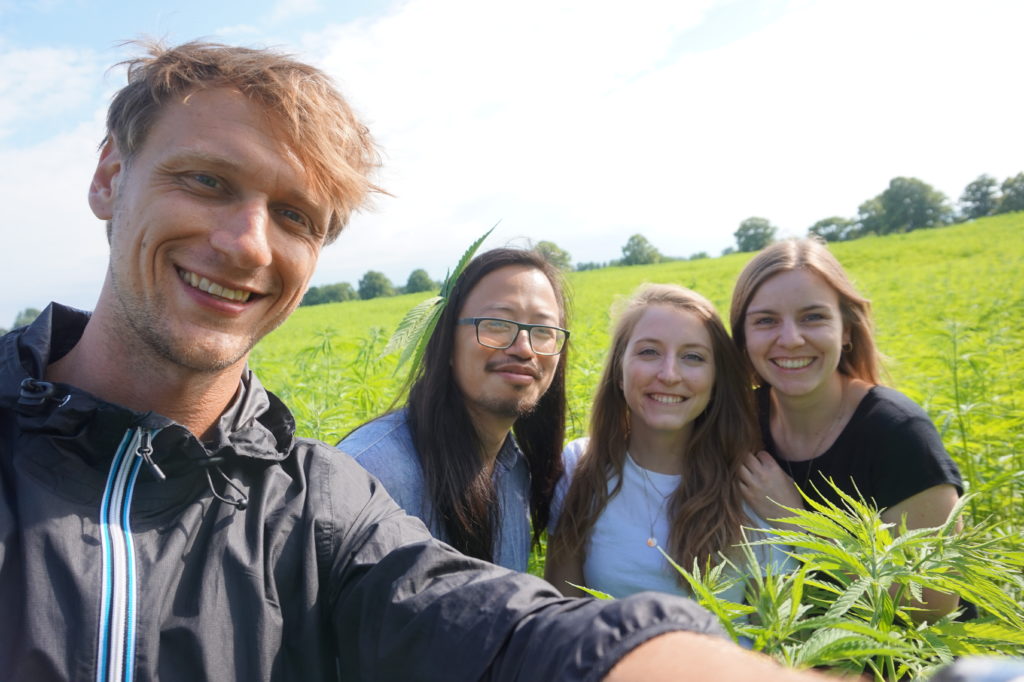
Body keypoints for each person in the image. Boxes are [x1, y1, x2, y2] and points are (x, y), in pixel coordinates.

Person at [0, 39, 847, 682]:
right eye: (207, 181)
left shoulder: (320, 504)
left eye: (296, 216)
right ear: (111, 176)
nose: (247, 244)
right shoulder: (383, 462)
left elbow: (505, 622)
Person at [729, 237, 964, 620]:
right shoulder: (739, 422)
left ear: (847, 331)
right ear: (743, 338)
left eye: (813, 317)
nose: (790, 339)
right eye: (766, 320)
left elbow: (933, 607)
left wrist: (799, 524)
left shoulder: (898, 434)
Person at [546, 284, 791, 602]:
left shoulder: (753, 486)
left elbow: (775, 635)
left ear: (716, 381)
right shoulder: (579, 466)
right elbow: (563, 614)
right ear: (619, 372)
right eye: (649, 352)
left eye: (693, 357)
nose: (670, 374)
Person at [339, 248, 568, 571]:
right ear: (446, 341)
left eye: (543, 331)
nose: (524, 348)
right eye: (497, 324)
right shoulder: (372, 474)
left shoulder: (515, 469)